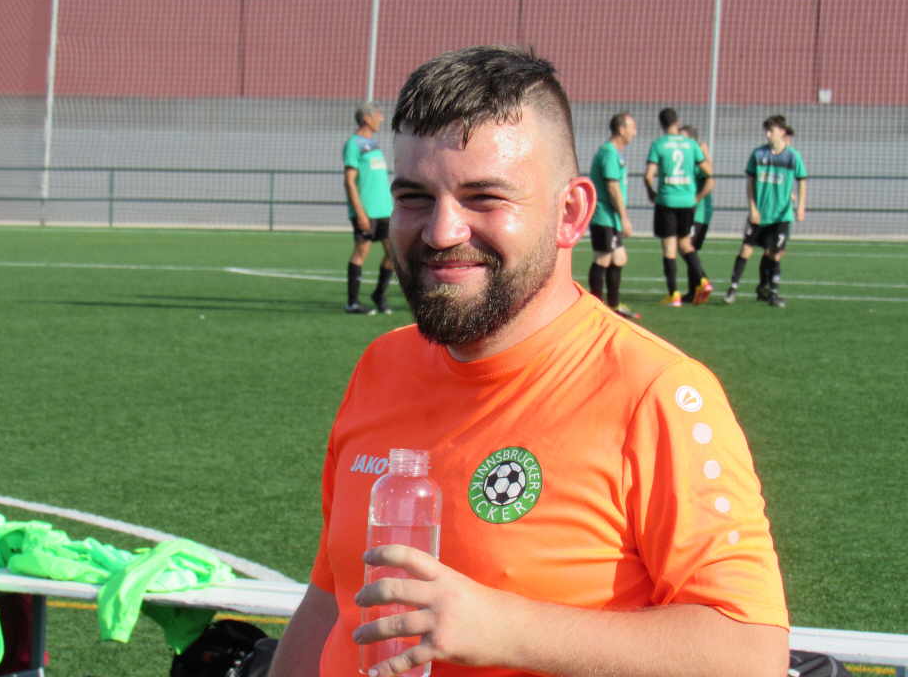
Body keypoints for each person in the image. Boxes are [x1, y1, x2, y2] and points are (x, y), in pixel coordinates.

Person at [269, 46, 788, 677]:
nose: (441, 231)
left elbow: (751, 654)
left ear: (570, 213)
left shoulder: (655, 392)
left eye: (484, 197)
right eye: (414, 197)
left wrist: (508, 629)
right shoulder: (383, 364)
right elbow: (333, 595)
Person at [723, 115, 807, 309]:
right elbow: (750, 183)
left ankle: (772, 293)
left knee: (775, 254)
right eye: (766, 131)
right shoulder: (758, 154)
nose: (768, 134)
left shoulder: (793, 156)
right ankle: (733, 288)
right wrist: (752, 208)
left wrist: (801, 206)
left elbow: (802, 180)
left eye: (771, 131)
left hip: (781, 216)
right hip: (760, 214)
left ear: (782, 132)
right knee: (746, 250)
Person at [643, 109, 714, 307]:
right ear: (677, 121)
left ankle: (673, 294)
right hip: (688, 202)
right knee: (685, 244)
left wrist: (651, 192)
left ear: (661, 124)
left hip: (667, 201)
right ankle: (703, 280)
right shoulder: (691, 144)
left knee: (669, 247)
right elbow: (708, 171)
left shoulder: (659, 144)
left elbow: (648, 175)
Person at [343, 103, 395, 315]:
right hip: (367, 211)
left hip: (385, 210)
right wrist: (360, 212)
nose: (381, 118)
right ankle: (352, 303)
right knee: (361, 252)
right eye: (377, 115)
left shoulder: (373, 144)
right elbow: (349, 181)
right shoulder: (353, 144)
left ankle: (378, 295)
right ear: (366, 118)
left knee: (394, 254)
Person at [587, 112, 640, 320]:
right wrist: (624, 218)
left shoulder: (614, 153)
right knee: (603, 258)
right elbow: (612, 187)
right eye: (632, 127)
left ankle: (614, 306)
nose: (635, 132)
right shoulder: (608, 153)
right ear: (621, 129)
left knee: (619, 258)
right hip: (604, 216)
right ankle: (594, 308)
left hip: (611, 217)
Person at [679, 124, 713, 304]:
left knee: (684, 246)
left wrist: (696, 199)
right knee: (689, 249)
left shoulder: (697, 162)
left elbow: (710, 181)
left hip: (698, 213)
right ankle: (693, 291)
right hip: (695, 212)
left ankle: (703, 280)